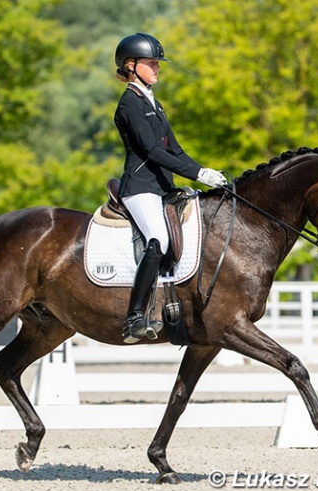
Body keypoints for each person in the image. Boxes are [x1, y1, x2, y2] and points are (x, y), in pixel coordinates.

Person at [113, 33, 228, 343]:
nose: (157, 68)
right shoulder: (129, 104)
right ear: (131, 65)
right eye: (151, 63)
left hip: (163, 186)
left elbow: (174, 150)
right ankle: (134, 316)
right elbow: (152, 151)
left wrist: (205, 172)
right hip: (140, 188)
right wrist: (197, 173)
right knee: (158, 239)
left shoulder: (154, 103)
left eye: (157, 63)